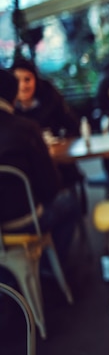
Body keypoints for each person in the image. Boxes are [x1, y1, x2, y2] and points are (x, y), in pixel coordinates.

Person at [0, 68, 82, 274]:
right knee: (70, 202)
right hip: (23, 219)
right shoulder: (26, 128)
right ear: (13, 96)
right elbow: (51, 188)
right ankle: (49, 267)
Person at [11, 59, 86, 211]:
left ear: (35, 80)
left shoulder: (49, 98)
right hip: (24, 169)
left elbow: (73, 125)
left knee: (64, 201)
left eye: (27, 79)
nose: (23, 85)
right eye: (17, 80)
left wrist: (63, 145)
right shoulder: (8, 109)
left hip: (57, 163)